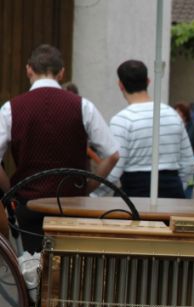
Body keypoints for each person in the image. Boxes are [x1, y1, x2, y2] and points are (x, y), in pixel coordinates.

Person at [0, 44, 119, 253]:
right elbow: (113, 155)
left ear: (29, 69)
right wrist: (88, 186)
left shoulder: (11, 108)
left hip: (29, 203)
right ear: (62, 72)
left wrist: (11, 186)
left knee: (33, 271)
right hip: (72, 204)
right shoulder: (83, 106)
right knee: (70, 271)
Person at [93, 60, 194, 199]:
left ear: (120, 85)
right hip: (173, 191)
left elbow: (114, 170)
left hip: (135, 193)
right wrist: (179, 186)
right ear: (148, 81)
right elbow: (188, 163)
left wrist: (93, 194)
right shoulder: (173, 115)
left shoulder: (121, 120)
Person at [174, 102, 194, 199]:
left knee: (187, 191)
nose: (177, 115)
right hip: (175, 165)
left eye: (179, 113)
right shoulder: (173, 127)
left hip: (191, 163)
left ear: (185, 114)